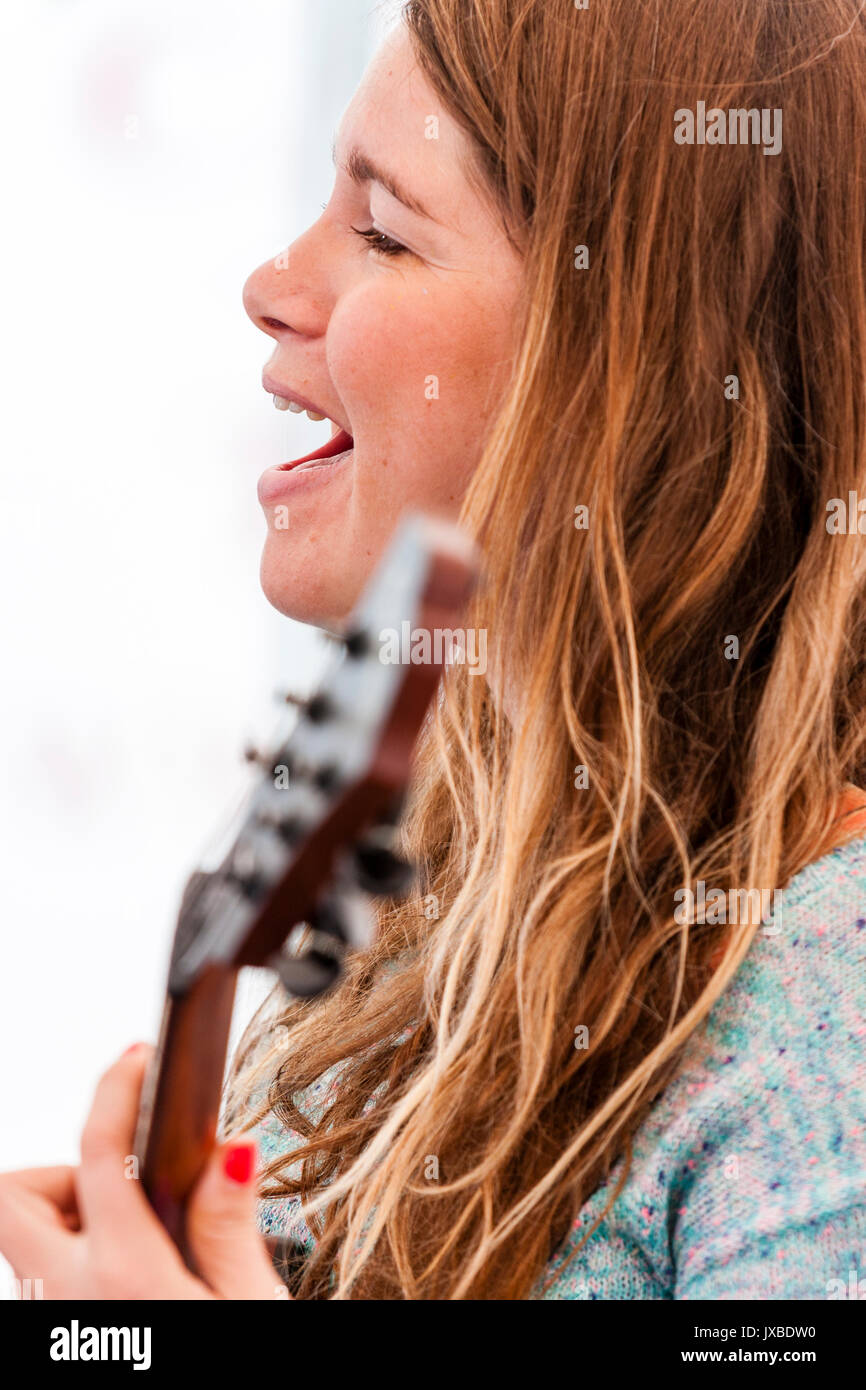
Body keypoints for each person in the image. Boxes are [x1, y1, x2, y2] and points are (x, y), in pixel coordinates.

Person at [2, 0, 865, 1300]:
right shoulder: (396, 957)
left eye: (381, 231)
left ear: (618, 370)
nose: (271, 285)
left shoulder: (826, 1018)